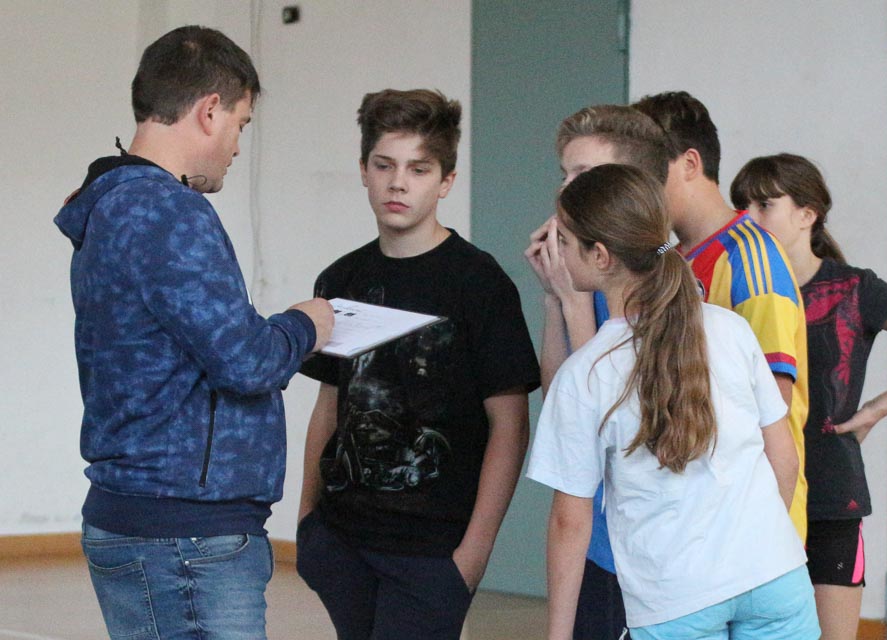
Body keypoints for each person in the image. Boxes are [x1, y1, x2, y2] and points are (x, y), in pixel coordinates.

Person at [53, 26, 335, 640]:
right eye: (240, 124)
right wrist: (304, 324)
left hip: (148, 519)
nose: (236, 146)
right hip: (183, 533)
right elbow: (246, 361)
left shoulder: (112, 203)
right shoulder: (168, 210)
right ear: (209, 111)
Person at [527, 163, 820, 640]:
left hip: (676, 598)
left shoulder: (586, 374)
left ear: (599, 256)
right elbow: (783, 458)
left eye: (566, 240)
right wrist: (759, 551)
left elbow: (569, 522)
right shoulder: (730, 329)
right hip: (775, 576)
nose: (555, 250)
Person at [296, 88, 540, 640]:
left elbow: (510, 425)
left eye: (418, 169)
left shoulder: (480, 283)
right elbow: (330, 402)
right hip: (342, 540)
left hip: (433, 550)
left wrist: (472, 556)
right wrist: (307, 520)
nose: (398, 183)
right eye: (384, 165)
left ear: (446, 181)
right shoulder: (341, 278)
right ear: (364, 170)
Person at [730, 153, 887, 640]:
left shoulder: (855, 288)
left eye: (764, 205)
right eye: (741, 206)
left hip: (830, 495)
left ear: (807, 214)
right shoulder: (734, 286)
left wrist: (876, 409)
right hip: (747, 491)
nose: (747, 218)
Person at [634, 91, 810, 542]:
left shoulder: (752, 257)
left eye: (647, 171)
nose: (639, 188)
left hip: (745, 527)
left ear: (690, 163)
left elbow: (773, 403)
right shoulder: (670, 257)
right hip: (694, 520)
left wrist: (758, 535)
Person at [524, 104, 670, 639]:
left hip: (646, 548)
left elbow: (603, 412)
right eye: (564, 174)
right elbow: (561, 399)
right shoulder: (587, 277)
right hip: (599, 542)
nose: (567, 189)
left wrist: (575, 303)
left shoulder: (659, 287)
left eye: (583, 174)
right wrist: (555, 298)